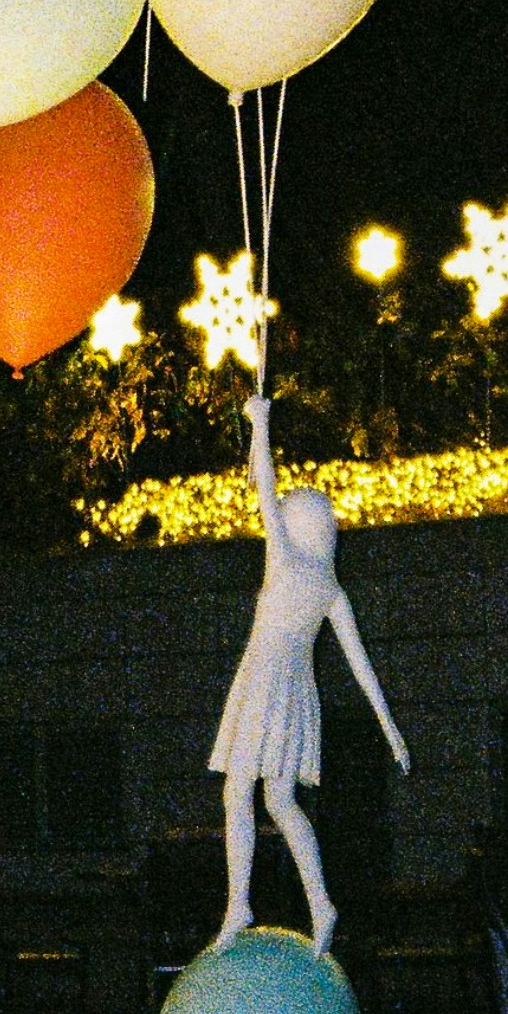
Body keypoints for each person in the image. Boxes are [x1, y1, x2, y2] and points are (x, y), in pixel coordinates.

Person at [211, 393, 409, 956]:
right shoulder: (328, 586)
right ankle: (319, 903)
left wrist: (260, 424)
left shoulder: (286, 560)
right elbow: (361, 666)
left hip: (265, 679)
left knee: (238, 792)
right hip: (296, 690)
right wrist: (389, 728)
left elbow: (264, 490)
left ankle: (240, 903)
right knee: (279, 801)